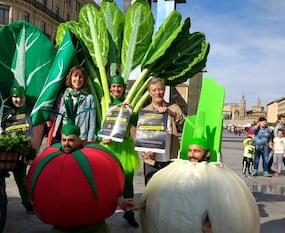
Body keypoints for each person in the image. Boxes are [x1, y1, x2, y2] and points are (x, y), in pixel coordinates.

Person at [123, 138, 213, 233]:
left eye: (196, 151)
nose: (191, 155)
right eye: (190, 151)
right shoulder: (180, 167)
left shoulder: (212, 175)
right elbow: (161, 192)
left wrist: (208, 222)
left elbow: (215, 203)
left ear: (207, 154)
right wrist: (141, 205)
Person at [52, 124, 127, 233]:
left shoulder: (92, 158)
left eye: (71, 140)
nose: (66, 144)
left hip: (92, 222)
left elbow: (109, 183)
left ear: (79, 140)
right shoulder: (54, 160)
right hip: (64, 223)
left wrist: (120, 200)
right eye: (64, 140)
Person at [100, 75, 140, 228]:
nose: (116, 89)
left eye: (119, 86)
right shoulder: (105, 103)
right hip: (109, 148)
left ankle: (129, 213)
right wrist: (101, 136)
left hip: (125, 149)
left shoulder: (129, 105)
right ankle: (101, 213)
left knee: (128, 183)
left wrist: (131, 111)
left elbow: (138, 122)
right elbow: (99, 125)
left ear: (124, 88)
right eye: (113, 86)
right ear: (110, 88)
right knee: (107, 183)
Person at [141, 77, 185, 184]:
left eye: (160, 89)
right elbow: (141, 137)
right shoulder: (145, 111)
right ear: (149, 93)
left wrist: (171, 113)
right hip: (151, 160)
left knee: (169, 191)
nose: (157, 92)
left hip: (170, 158)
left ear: (164, 90)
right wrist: (145, 152)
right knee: (151, 192)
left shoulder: (174, 107)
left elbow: (183, 124)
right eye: (154, 90)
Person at [3, 86, 34, 213]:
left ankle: (27, 202)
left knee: (21, 178)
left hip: (22, 151)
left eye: (21, 97)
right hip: (6, 150)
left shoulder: (30, 111)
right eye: (15, 97)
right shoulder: (5, 111)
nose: (18, 100)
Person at [52, 66, 96, 143]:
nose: (78, 79)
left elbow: (92, 123)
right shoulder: (64, 95)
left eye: (80, 77)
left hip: (80, 138)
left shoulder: (89, 98)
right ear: (70, 78)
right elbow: (57, 114)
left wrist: (89, 141)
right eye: (75, 76)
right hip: (63, 136)